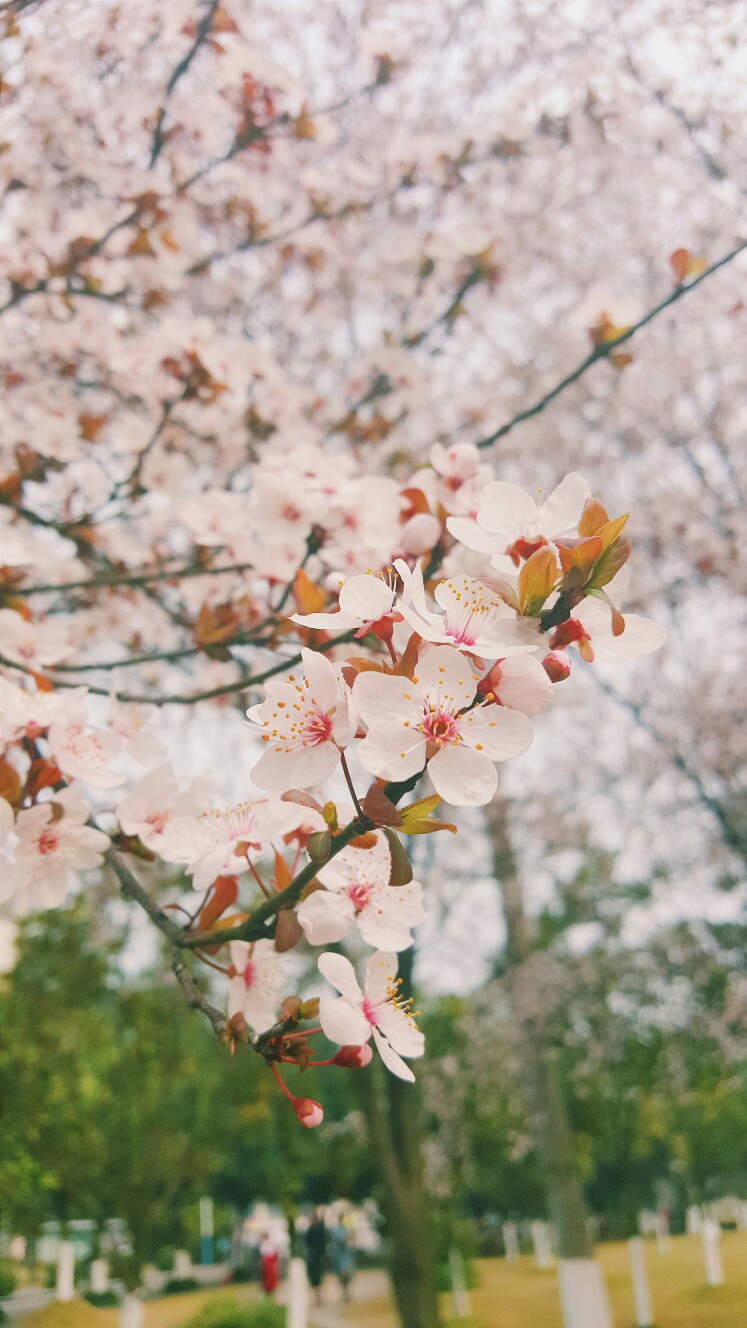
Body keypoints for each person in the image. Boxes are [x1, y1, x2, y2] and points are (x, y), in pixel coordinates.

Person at [305, 1209, 327, 1306]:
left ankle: (317, 1297)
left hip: (314, 1255)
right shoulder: (319, 1228)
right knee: (319, 1276)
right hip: (318, 1255)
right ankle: (318, 1297)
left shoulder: (311, 1229)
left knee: (315, 1277)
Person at [329, 1221, 355, 1302]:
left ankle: (345, 1293)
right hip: (341, 1258)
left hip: (343, 1258)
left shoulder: (342, 1230)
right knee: (343, 1277)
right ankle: (344, 1294)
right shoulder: (339, 1231)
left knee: (345, 1276)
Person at [259, 1231, 280, 1297]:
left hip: (270, 1261)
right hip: (267, 1261)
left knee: (271, 1275)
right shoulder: (264, 1244)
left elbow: (274, 1252)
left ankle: (271, 1288)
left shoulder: (270, 1243)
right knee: (266, 1275)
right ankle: (267, 1288)